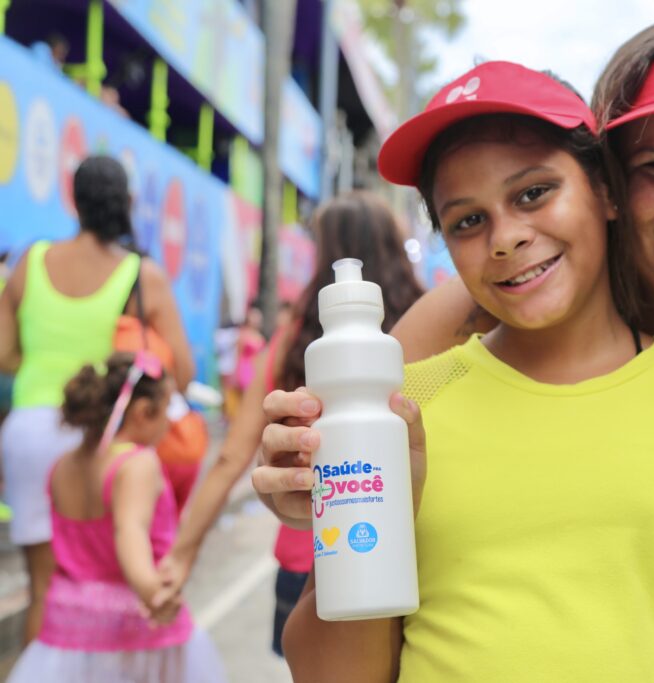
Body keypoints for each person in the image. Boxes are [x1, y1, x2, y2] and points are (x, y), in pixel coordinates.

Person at [256, 14, 654, 683]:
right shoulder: (415, 398)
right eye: (468, 220)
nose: (506, 236)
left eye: (535, 192)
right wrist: (337, 479)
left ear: (602, 193)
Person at [156, 192, 424, 657]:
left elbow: (230, 456)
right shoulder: (432, 325)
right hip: (411, 559)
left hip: (311, 566)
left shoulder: (291, 340)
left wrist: (182, 554)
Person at [0, 155, 195, 643]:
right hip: (103, 441)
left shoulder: (30, 260)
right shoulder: (139, 273)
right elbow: (184, 372)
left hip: (28, 430)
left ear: (74, 200)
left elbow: (5, 355)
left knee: (44, 589)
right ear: (126, 203)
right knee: (115, 585)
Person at [7, 351, 223, 682]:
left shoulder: (63, 465)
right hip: (130, 631)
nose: (169, 423)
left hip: (67, 628)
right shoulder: (136, 464)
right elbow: (130, 532)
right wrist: (151, 591)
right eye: (166, 410)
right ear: (141, 413)